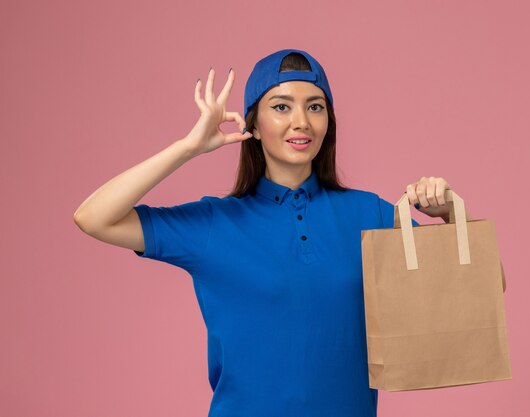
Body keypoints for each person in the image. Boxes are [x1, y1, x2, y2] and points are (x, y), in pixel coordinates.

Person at [74, 48, 504, 417]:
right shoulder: (213, 225)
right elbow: (94, 217)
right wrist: (187, 148)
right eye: (281, 106)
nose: (301, 121)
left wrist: (451, 216)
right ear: (253, 126)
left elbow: (488, 289)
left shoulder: (370, 213)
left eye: (315, 106)